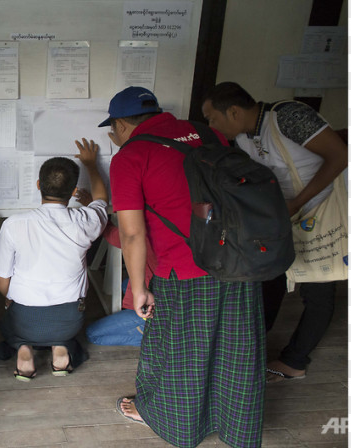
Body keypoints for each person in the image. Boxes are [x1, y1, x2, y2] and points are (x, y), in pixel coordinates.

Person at [105, 86, 265, 448]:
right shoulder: (210, 134)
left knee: (178, 349)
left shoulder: (131, 156)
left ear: (121, 125)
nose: (113, 137)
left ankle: (174, 423)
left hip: (184, 270)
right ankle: (237, 429)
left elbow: (132, 235)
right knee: (235, 349)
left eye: (112, 130)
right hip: (238, 261)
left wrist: (139, 288)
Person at [201, 82, 348, 383]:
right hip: (289, 214)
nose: (211, 125)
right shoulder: (243, 137)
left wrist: (298, 202)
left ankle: (295, 361)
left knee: (318, 288)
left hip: (324, 211)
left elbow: (340, 156)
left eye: (212, 117)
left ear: (233, 111)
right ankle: (249, 348)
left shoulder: (287, 116)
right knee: (271, 276)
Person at [0, 143, 108, 380]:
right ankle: (60, 348)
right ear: (73, 192)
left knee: (12, 326)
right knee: (60, 326)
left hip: (23, 320)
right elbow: (101, 199)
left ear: (39, 186)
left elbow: (0, 277)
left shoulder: (14, 224)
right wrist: (92, 165)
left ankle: (23, 349)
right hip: (70, 320)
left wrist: (11, 300)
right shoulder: (86, 221)